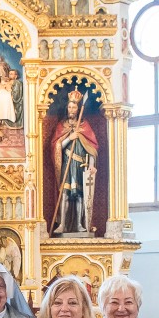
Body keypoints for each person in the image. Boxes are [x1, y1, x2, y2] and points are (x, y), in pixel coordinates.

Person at [50, 88, 98, 234]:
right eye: (70, 107)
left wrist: (91, 165)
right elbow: (55, 145)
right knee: (65, 193)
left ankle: (79, 224)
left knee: (79, 195)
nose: (71, 110)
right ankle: (62, 224)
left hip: (80, 165)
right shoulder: (61, 126)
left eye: (74, 107)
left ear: (78, 109)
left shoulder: (84, 126)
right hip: (67, 164)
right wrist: (68, 139)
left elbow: (92, 147)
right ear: (67, 108)